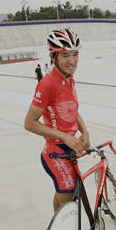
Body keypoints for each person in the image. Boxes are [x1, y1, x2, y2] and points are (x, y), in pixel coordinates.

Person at [24, 28, 90, 211]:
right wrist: (64, 137)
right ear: (54, 57)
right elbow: (29, 123)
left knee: (64, 197)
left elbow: (72, 110)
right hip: (56, 152)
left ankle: (57, 228)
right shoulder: (47, 84)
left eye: (75, 54)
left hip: (69, 147)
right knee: (69, 205)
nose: (72, 60)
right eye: (65, 55)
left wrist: (84, 131)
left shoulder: (69, 78)